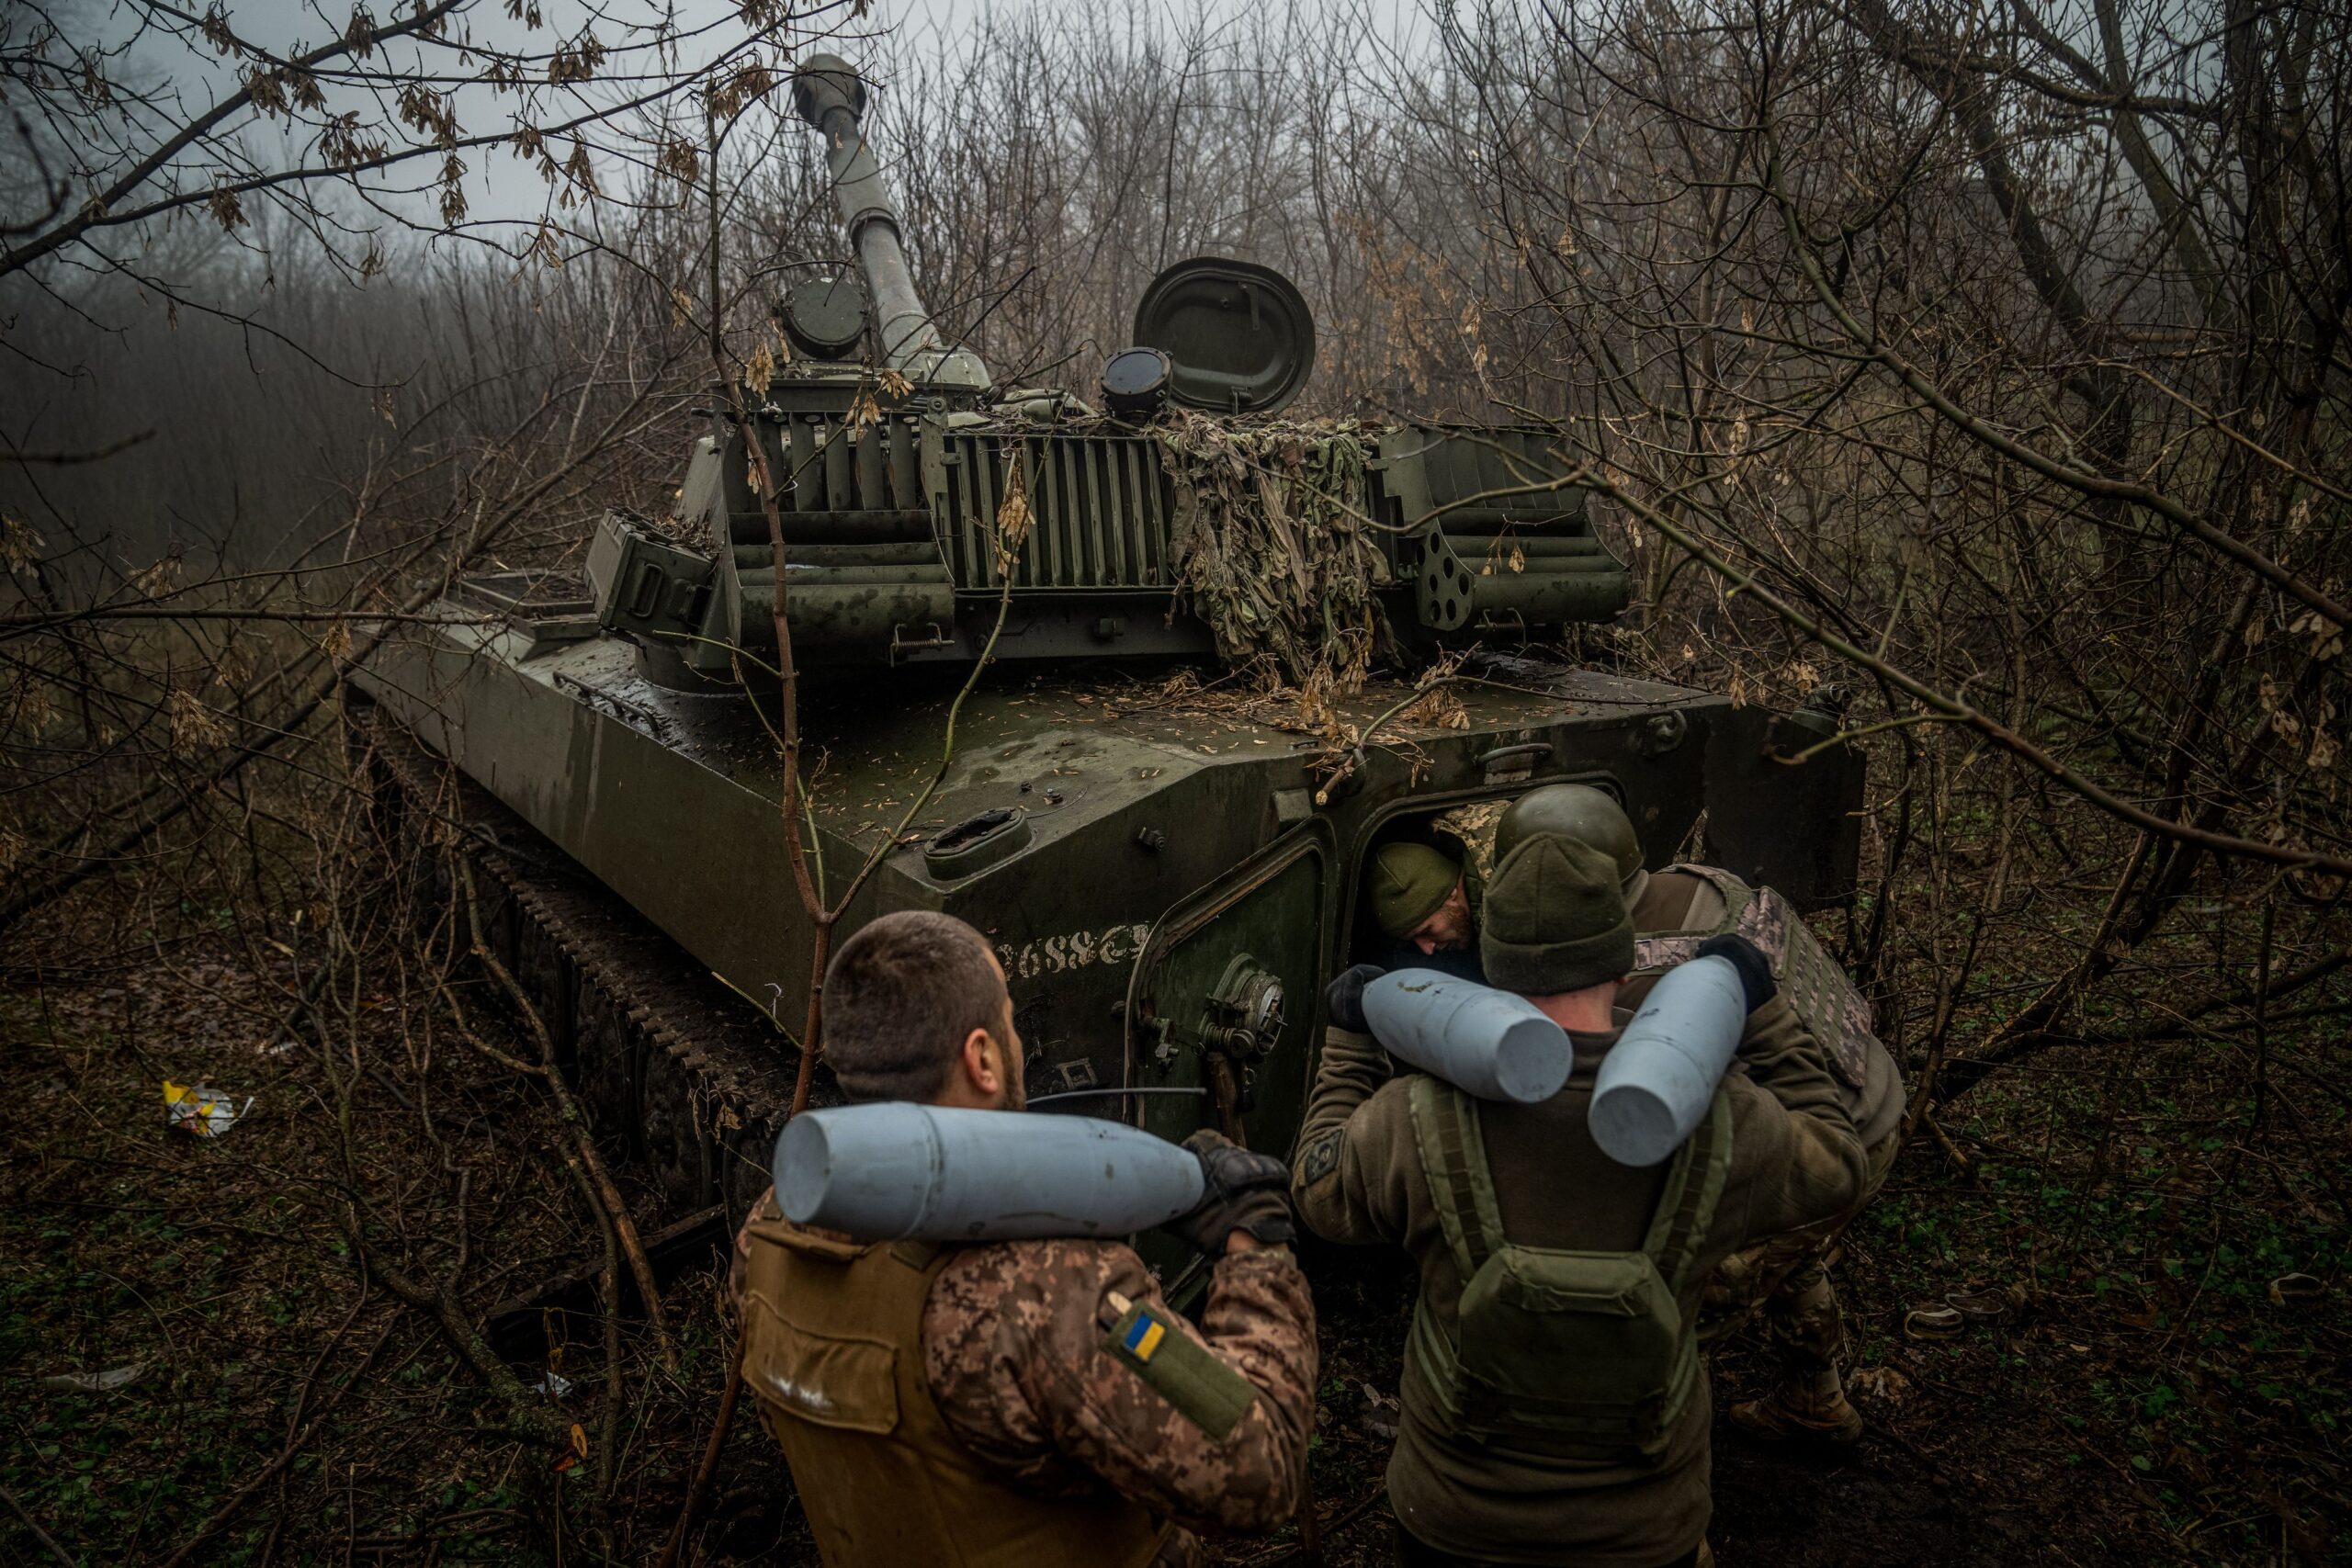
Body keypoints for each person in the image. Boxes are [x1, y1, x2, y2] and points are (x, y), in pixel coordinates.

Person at [1294, 835, 1867, 1567]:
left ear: (1492, 967)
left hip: (1452, 1520)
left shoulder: (1410, 1116)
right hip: (1642, 1527)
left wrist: (1349, 1042)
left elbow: (1316, 1189)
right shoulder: (1725, 1118)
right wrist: (1761, 1012)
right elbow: (1839, 1165)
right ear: (1626, 962)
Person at [730, 910, 1317, 1566]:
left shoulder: (773, 1227)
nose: (1016, 1041)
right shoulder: (1045, 1291)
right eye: (1008, 1020)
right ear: (981, 1056)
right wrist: (1255, 1248)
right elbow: (1262, 1474)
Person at [1494, 784, 1907, 1443]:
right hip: (1873, 1091)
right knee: (1790, 1249)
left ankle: (1663, 1482)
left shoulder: (1635, 975)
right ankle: (1815, 1397)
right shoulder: (1708, 882)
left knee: (1689, 1296)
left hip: (1832, 1138)